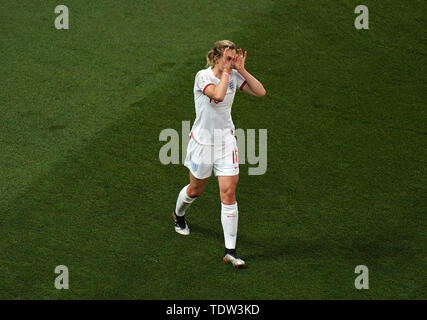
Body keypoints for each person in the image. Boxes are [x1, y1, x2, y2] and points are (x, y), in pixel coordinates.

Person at [172, 40, 266, 268]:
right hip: (202, 143)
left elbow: (260, 92)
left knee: (229, 193)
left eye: (234, 58)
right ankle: (178, 215)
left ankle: (230, 251)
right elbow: (219, 95)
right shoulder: (202, 77)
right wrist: (227, 72)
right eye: (228, 58)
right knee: (196, 190)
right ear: (216, 59)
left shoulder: (233, 74)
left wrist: (241, 69)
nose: (232, 62)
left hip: (226, 143)